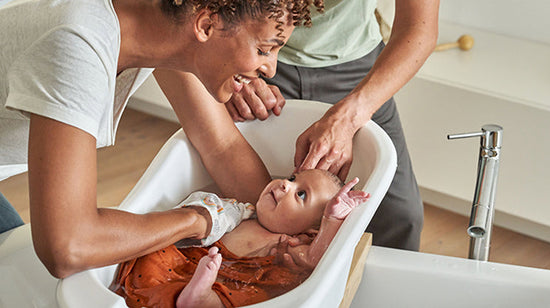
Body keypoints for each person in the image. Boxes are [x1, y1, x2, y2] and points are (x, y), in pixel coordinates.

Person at [0, 0, 322, 278]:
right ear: (207, 24)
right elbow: (68, 246)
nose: (270, 68)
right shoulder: (78, 45)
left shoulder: (159, 27)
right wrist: (197, 219)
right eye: (264, 49)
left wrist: (285, 230)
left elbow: (222, 146)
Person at [223, 0, 441, 251]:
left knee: (402, 216)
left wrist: (350, 116)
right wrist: (235, 65)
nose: (285, 183)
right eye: (292, 179)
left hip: (356, 69)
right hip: (254, 52)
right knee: (240, 189)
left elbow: (419, 29)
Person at [112, 169, 369, 308]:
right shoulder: (242, 212)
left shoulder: (291, 244)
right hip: (192, 262)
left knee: (256, 298)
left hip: (239, 282)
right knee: (157, 252)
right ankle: (190, 294)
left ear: (309, 230)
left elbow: (316, 261)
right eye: (292, 178)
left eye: (301, 195)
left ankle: (203, 300)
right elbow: (208, 221)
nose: (285, 185)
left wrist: (332, 220)